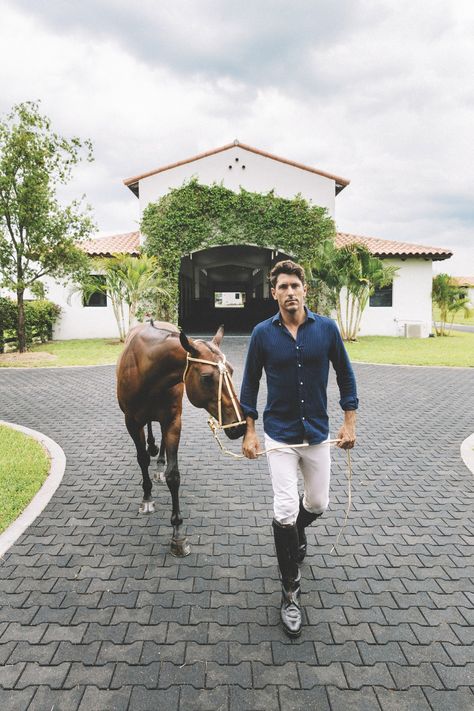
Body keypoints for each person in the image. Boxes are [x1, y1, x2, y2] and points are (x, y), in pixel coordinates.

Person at [240, 259, 358, 637]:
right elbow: (249, 383)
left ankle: (295, 535)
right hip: (279, 436)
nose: (289, 292)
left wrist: (349, 421)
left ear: (305, 289)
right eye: (282, 287)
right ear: (273, 293)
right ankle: (290, 592)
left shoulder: (326, 329)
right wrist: (250, 431)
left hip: (319, 434)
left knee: (318, 503)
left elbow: (345, 373)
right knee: (285, 507)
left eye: (295, 286)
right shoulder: (262, 334)